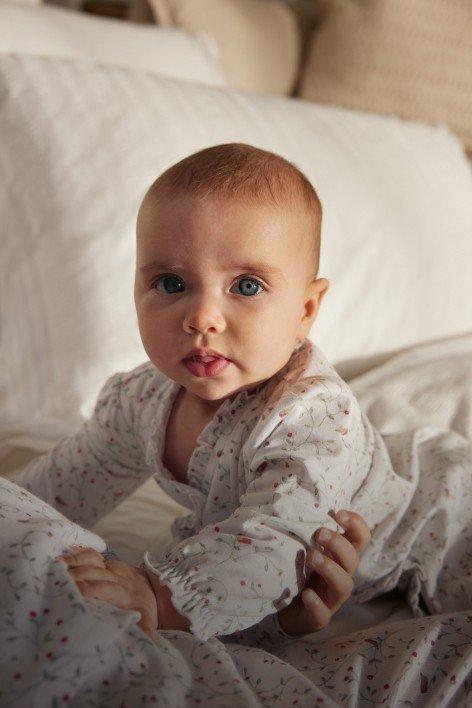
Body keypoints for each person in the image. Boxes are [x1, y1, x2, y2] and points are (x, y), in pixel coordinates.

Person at [11, 142, 472, 646]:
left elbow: (275, 544)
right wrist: (14, 524)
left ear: (305, 310)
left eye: (246, 286)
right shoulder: (141, 400)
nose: (202, 317)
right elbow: (66, 481)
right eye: (170, 282)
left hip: (444, 518)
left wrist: (157, 595)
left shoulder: (312, 416)